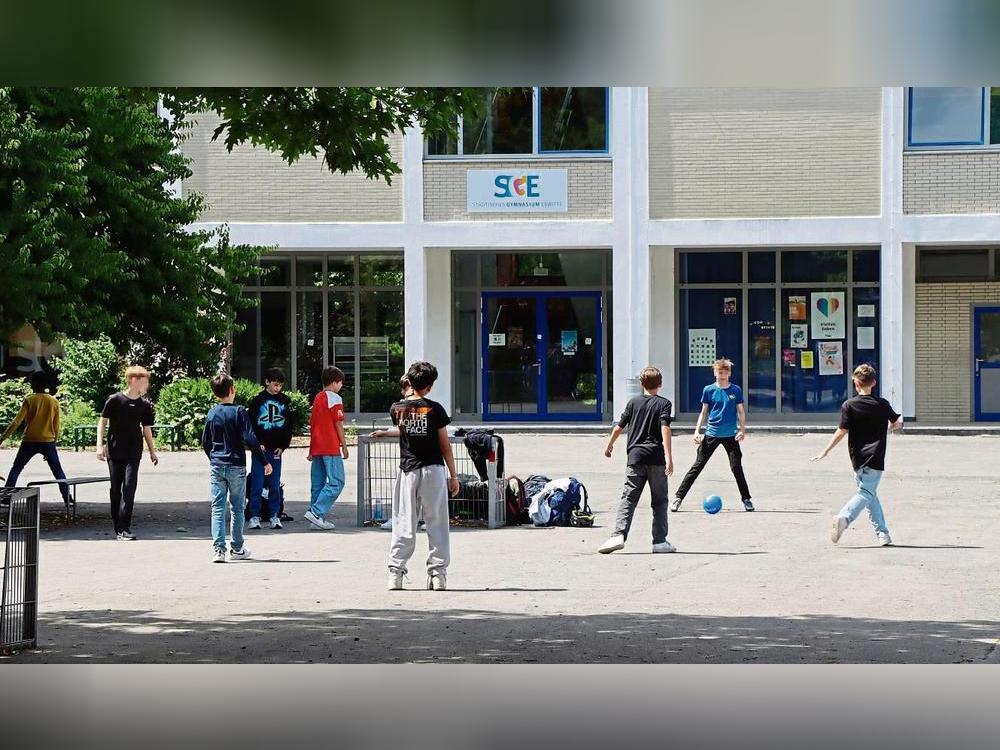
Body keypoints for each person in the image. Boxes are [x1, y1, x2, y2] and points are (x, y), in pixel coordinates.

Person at [384, 362, 459, 591]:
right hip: (433, 469)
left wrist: (385, 433)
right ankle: (438, 574)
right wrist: (453, 475)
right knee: (437, 523)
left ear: (409, 382)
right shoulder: (435, 409)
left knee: (404, 521)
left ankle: (395, 573)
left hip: (408, 470)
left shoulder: (397, 408)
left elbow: (407, 431)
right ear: (429, 386)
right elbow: (444, 445)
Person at [812, 364, 903, 546]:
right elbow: (897, 422)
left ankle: (883, 534)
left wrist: (825, 450)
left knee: (869, 494)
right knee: (866, 493)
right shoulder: (882, 404)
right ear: (874, 382)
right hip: (875, 458)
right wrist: (891, 427)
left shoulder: (849, 405)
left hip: (857, 459)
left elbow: (841, 431)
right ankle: (844, 518)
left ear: (856, 384)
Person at [597, 366, 675, 554]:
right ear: (661, 384)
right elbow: (665, 428)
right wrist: (669, 457)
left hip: (635, 457)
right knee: (660, 500)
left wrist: (609, 445)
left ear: (641, 384)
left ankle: (618, 535)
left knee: (629, 498)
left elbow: (619, 427)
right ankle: (659, 542)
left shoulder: (633, 403)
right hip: (656, 457)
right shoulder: (664, 404)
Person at [201, 373, 271, 563]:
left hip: (217, 464)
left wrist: (213, 458)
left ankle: (219, 550)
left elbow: (205, 441)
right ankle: (237, 548)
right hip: (236, 464)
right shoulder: (239, 411)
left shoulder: (212, 413)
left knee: (217, 507)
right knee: (237, 507)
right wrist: (264, 461)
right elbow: (250, 438)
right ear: (232, 390)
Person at [671, 358, 755, 512]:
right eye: (719, 372)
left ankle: (746, 499)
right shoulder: (708, 390)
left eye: (725, 372)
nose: (722, 375)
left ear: (729, 373)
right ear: (715, 373)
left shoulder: (735, 390)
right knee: (697, 466)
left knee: (736, 467)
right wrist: (697, 431)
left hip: (730, 435)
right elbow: (703, 412)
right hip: (712, 433)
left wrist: (742, 430)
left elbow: (741, 412)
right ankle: (678, 498)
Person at [97, 366, 158, 540]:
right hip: (114, 450)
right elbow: (102, 422)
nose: (146, 384)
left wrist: (152, 451)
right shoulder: (115, 400)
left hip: (134, 451)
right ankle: (117, 525)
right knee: (116, 489)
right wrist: (99, 446)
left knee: (129, 488)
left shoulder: (144, 405)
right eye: (144, 380)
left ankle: (124, 527)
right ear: (133, 380)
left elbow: (147, 429)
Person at [2, 371, 71, 508]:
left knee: (16, 468)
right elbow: (56, 425)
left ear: (33, 384)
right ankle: (67, 498)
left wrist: (3, 437)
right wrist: (54, 441)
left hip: (29, 440)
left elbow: (16, 421)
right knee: (57, 471)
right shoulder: (53, 401)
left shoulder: (30, 399)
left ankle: (6, 498)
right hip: (48, 441)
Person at [373, 374, 425, 532]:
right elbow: (404, 429)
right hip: (417, 458)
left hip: (412, 458)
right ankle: (413, 519)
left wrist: (386, 432)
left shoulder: (413, 407)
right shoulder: (420, 406)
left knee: (406, 493)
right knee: (417, 493)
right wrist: (386, 432)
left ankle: (403, 519)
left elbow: (405, 429)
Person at [246, 367, 292, 530]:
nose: (277, 388)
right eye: (275, 384)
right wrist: (256, 443)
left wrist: (283, 445)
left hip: (276, 449)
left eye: (280, 385)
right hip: (260, 450)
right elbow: (250, 425)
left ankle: (274, 515)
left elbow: (288, 425)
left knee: (274, 484)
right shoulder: (257, 401)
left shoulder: (285, 401)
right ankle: (254, 515)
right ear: (267, 382)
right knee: (257, 483)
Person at [304, 366, 347, 531]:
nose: (341, 386)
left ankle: (316, 518)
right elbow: (338, 424)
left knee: (318, 484)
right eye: (341, 383)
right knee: (337, 482)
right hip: (330, 446)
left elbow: (313, 424)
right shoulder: (335, 398)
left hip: (317, 446)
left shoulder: (318, 397)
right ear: (335, 382)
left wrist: (311, 449)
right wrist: (344, 446)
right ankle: (316, 512)